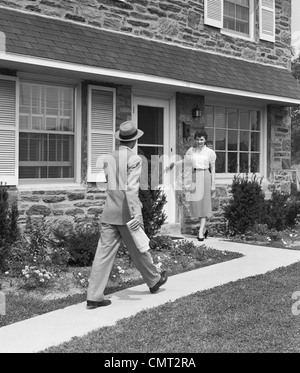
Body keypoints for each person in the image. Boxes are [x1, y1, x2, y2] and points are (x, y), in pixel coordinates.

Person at [86, 120, 168, 309]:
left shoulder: (108, 158)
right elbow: (131, 189)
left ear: (120, 140)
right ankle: (154, 281)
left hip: (109, 212)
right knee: (139, 248)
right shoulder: (135, 159)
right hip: (127, 214)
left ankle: (93, 297)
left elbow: (111, 184)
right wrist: (137, 214)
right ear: (134, 141)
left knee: (102, 256)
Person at [166, 129, 216, 241]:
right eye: (198, 139)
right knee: (197, 205)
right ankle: (204, 229)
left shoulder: (210, 152)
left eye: (201, 139)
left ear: (205, 140)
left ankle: (200, 232)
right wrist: (174, 164)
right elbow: (185, 161)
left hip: (205, 176)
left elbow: (213, 169)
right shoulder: (191, 150)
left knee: (204, 204)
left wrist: (213, 184)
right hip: (194, 176)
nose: (199, 142)